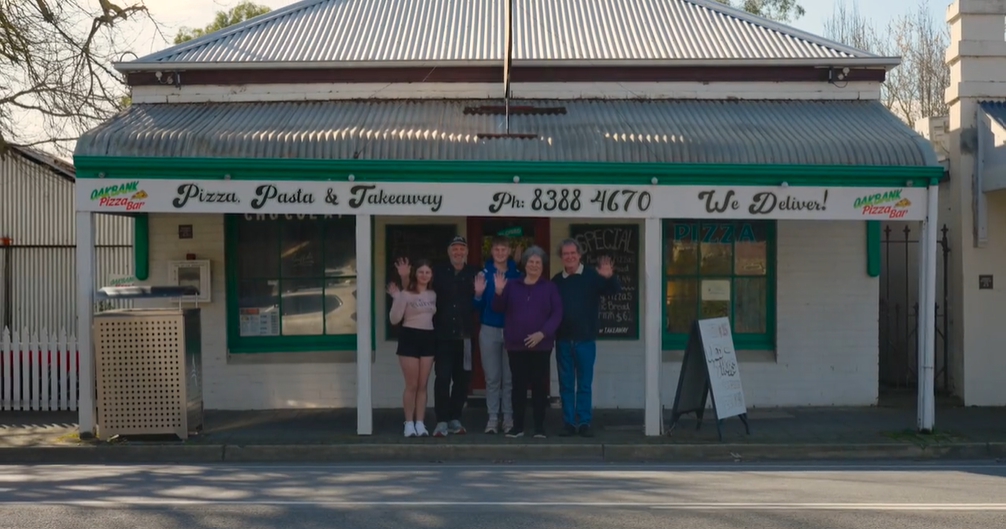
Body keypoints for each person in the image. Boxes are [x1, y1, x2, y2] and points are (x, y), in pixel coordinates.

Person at [396, 235, 480, 437]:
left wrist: (479, 294)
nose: (458, 252)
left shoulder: (475, 273)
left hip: (466, 336)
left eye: (462, 248)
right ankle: (441, 420)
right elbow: (418, 289)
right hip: (441, 336)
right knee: (442, 378)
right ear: (449, 252)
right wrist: (405, 278)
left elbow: (482, 300)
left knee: (462, 380)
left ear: (467, 252)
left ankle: (455, 418)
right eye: (455, 248)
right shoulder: (439, 272)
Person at [490, 246, 563, 439]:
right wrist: (498, 292)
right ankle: (518, 427)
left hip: (541, 345)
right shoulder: (512, 285)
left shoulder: (549, 287)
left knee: (540, 387)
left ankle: (539, 427)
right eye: (530, 261)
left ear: (542, 266)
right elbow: (498, 308)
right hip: (516, 345)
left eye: (538, 262)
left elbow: (557, 313)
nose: (534, 265)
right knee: (518, 387)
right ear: (524, 263)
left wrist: (543, 333)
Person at [551, 238, 620, 438]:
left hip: (585, 340)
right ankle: (568, 423)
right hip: (563, 340)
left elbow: (614, 291)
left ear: (579, 255)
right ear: (561, 257)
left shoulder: (591, 275)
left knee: (583, 384)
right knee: (565, 384)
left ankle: (583, 422)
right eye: (566, 254)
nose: (570, 257)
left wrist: (609, 277)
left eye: (573, 253)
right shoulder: (557, 280)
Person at [473, 236, 522, 434]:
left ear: (509, 251)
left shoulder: (517, 275)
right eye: (497, 249)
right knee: (492, 377)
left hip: (511, 331)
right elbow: (476, 306)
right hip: (489, 329)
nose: (500, 253)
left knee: (509, 378)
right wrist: (477, 294)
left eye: (504, 249)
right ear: (491, 252)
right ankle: (493, 418)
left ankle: (508, 417)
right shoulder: (483, 274)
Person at [387, 259, 437, 438]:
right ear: (416, 274)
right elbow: (394, 319)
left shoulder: (432, 294)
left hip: (428, 337)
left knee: (423, 385)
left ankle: (420, 423)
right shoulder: (406, 294)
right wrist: (397, 297)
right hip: (409, 337)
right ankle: (408, 423)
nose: (424, 275)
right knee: (412, 384)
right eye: (421, 272)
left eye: (428, 272)